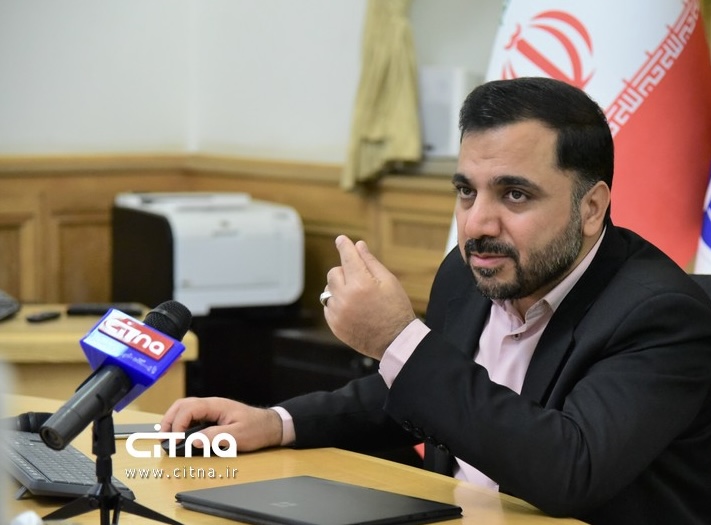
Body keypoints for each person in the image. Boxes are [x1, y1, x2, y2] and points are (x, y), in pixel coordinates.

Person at [161, 77, 711, 524]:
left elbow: (571, 469)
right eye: (467, 191)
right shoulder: (470, 271)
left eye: (514, 194)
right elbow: (422, 393)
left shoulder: (660, 315)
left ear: (591, 209)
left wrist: (397, 338)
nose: (477, 224)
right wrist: (276, 422)